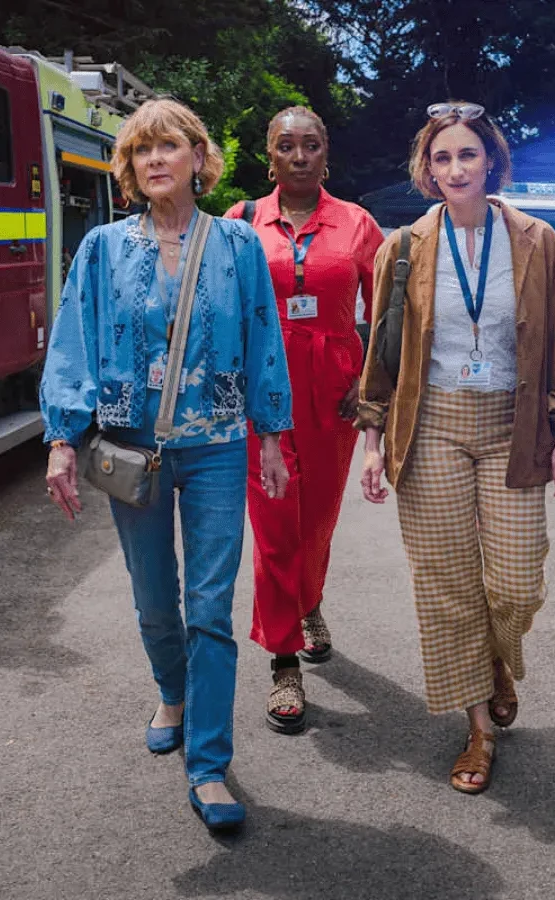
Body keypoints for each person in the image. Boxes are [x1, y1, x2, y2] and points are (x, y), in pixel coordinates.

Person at [40, 98, 293, 832]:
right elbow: (74, 343)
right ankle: (171, 693)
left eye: (169, 146)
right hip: (132, 447)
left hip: (216, 445)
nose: (156, 159)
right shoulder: (103, 249)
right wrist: (63, 439)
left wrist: (271, 434)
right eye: (141, 150)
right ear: (128, 167)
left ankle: (208, 766)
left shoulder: (240, 247)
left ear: (197, 158)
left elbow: (262, 337)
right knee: (155, 600)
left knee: (209, 608)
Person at [357, 100, 555, 795]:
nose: (455, 167)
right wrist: (372, 441)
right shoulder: (402, 247)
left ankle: (495, 660)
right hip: (428, 426)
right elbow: (381, 355)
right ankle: (479, 727)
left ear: (492, 161)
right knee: (447, 586)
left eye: (467, 154)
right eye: (441, 157)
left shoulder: (535, 240)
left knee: (516, 581)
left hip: (514, 424)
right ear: (426, 170)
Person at [225, 106, 383, 735]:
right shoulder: (239, 225)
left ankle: (308, 600)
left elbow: (387, 312)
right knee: (273, 522)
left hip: (332, 393)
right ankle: (284, 658)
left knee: (316, 518)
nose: (298, 155)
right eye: (286, 145)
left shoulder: (358, 224)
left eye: (310, 145)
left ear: (326, 155)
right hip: (263, 393)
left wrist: (371, 387)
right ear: (269, 156)